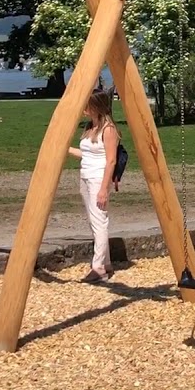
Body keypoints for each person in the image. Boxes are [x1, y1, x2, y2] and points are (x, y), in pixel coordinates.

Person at [67, 92, 119, 283]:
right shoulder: (90, 127)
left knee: (99, 221)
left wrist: (104, 189)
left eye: (87, 105)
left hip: (99, 179)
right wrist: (65, 148)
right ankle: (106, 263)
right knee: (94, 221)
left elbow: (111, 160)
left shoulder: (108, 129)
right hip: (85, 176)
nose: (84, 109)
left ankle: (98, 268)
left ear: (97, 106)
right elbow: (87, 153)